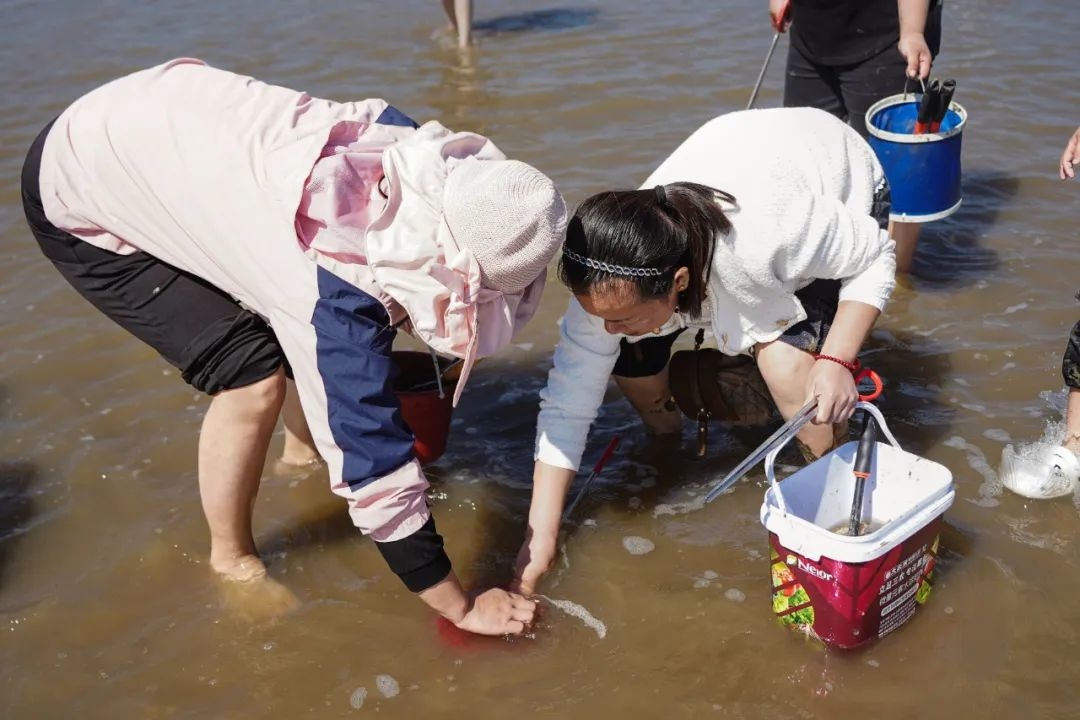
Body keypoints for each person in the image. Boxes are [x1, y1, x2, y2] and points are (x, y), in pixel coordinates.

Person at [21, 58, 567, 636]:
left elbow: (336, 307)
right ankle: (231, 560)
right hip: (80, 183)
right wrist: (460, 606)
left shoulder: (411, 147)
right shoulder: (332, 303)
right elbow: (374, 471)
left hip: (163, 119)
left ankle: (299, 455)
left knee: (288, 315)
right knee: (251, 378)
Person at [512, 107, 896, 595]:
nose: (606, 327)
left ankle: (832, 509)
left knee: (790, 370)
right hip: (738, 165)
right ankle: (666, 442)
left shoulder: (766, 236)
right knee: (627, 358)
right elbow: (566, 407)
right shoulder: (608, 282)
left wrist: (837, 360)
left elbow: (876, 256)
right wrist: (539, 539)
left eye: (622, 317)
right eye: (598, 315)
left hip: (837, 179)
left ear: (677, 282)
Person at [767, 0, 941, 274]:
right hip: (812, 34)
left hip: (887, 36)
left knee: (893, 179)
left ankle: (894, 287)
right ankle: (818, 277)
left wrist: (913, 31)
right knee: (802, 165)